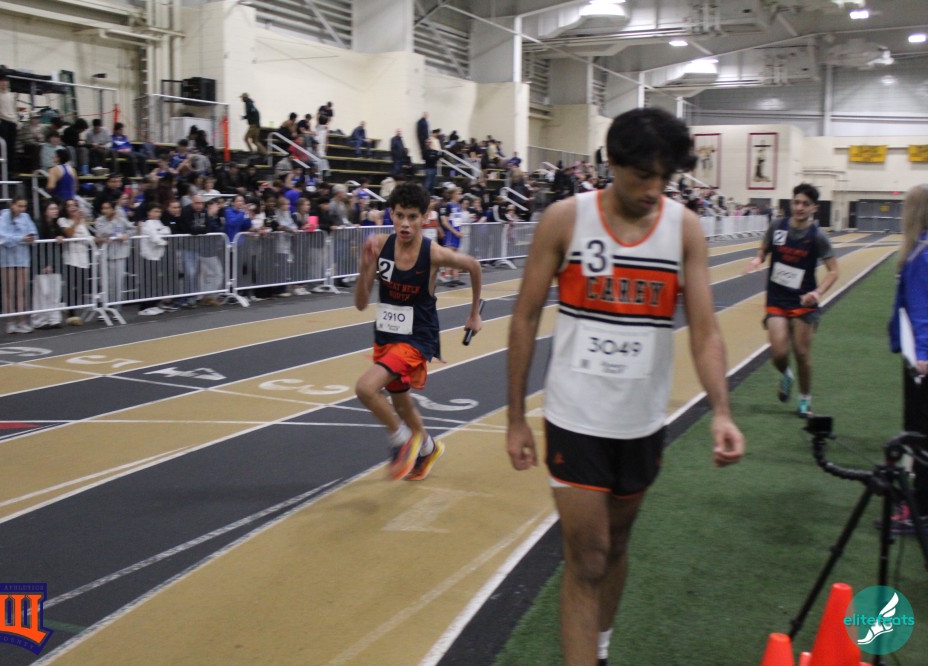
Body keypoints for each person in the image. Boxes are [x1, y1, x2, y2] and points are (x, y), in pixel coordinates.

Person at [505, 107, 745, 666]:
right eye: (643, 176)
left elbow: (705, 331)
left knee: (615, 549)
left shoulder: (683, 229)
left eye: (665, 177)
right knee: (587, 557)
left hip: (641, 422)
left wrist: (722, 410)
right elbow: (524, 317)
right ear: (612, 164)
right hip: (575, 416)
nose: (654, 189)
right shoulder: (566, 220)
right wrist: (516, 418)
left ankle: (601, 647)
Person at [354, 182, 483, 481]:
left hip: (417, 337)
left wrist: (474, 313)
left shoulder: (433, 253)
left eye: (413, 217)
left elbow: (473, 266)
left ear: (425, 217)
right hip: (386, 336)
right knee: (400, 402)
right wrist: (364, 266)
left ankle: (402, 441)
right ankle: (427, 447)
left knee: (365, 388)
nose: (405, 224)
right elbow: (361, 304)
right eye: (400, 215)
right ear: (391, 214)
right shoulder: (380, 246)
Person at [744, 182, 839, 417]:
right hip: (777, 298)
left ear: (814, 208)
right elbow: (764, 248)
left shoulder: (817, 236)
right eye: (796, 202)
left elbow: (834, 271)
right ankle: (786, 374)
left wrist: (817, 293)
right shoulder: (777, 226)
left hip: (803, 301)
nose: (799, 207)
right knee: (778, 353)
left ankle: (805, 401)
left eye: (805, 204)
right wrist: (758, 259)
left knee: (802, 353)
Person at [887, 183, 928, 535]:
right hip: (919, 353)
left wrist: (924, 355)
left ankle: (920, 510)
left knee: (919, 432)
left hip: (921, 359)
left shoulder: (920, 255)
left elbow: (921, 311)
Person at [0, 197, 38, 334]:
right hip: (7, 259)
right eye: (19, 206)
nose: (22, 209)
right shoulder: (4, 217)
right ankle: (10, 322)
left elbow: (33, 232)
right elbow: (1, 236)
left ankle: (22, 321)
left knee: (21, 291)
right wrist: (21, 238)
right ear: (12, 205)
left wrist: (31, 237)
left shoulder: (26, 217)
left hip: (23, 258)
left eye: (24, 206)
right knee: (9, 291)